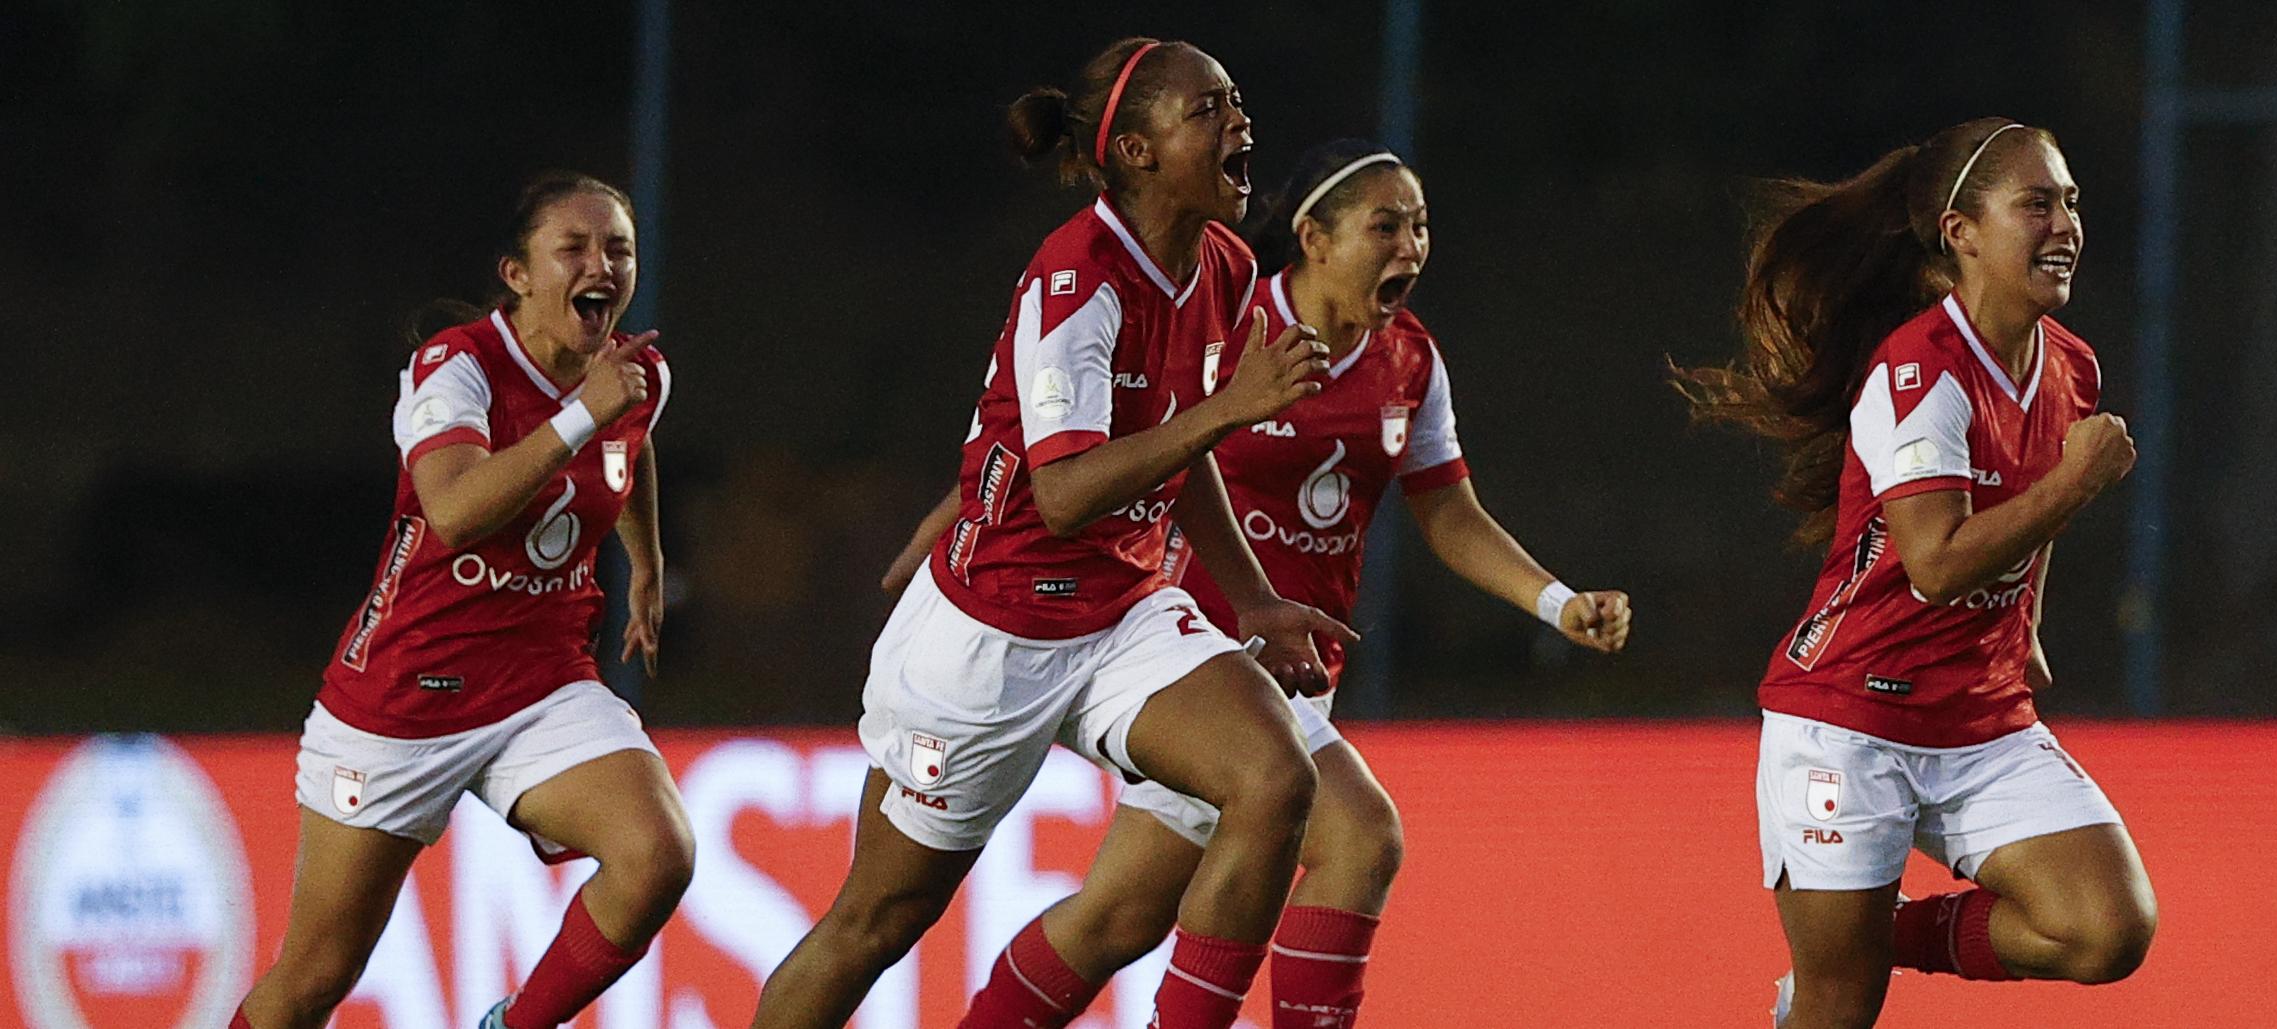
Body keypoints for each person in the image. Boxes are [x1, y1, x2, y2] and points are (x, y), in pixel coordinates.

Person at [912, 139, 1633, 1029]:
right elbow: (1094, 438)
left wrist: (1556, 601)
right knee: (1361, 837)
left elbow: (1448, 513)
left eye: (1419, 225)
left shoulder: (1408, 360)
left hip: (1298, 670)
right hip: (1193, 658)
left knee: (1118, 917)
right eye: (1384, 225)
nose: (1410, 244)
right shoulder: (1234, 324)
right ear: (1314, 237)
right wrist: (962, 517)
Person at [749, 38, 1354, 1029]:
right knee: (876, 922)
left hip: (1119, 615)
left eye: (1237, 102)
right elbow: (1066, 491)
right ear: (1138, 149)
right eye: (1208, 109)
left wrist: (1250, 595)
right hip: (989, 638)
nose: (1240, 123)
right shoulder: (1079, 280)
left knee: (1274, 779)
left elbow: (1175, 445)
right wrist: (1231, 408)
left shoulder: (1227, 264)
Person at [1673, 118, 2157, 1028]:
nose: (2064, 223)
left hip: (1976, 716)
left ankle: (1873, 931)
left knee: (2108, 927)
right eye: (2036, 203)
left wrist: (2028, 630)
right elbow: (1933, 565)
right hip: (1848, 717)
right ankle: (1847, 949)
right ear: (1959, 232)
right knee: (1838, 1006)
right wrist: (2075, 481)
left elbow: (2026, 525)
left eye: (2070, 202)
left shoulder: (2072, 368)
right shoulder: (1915, 374)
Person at [231, 173, 692, 1029]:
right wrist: (578, 420)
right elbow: (453, 511)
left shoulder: (634, 375)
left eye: (618, 248)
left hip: (539, 679)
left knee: (656, 854)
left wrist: (649, 563)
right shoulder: (457, 367)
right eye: (575, 248)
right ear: (517, 274)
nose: (603, 264)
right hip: (406, 695)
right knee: (313, 979)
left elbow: (634, 442)